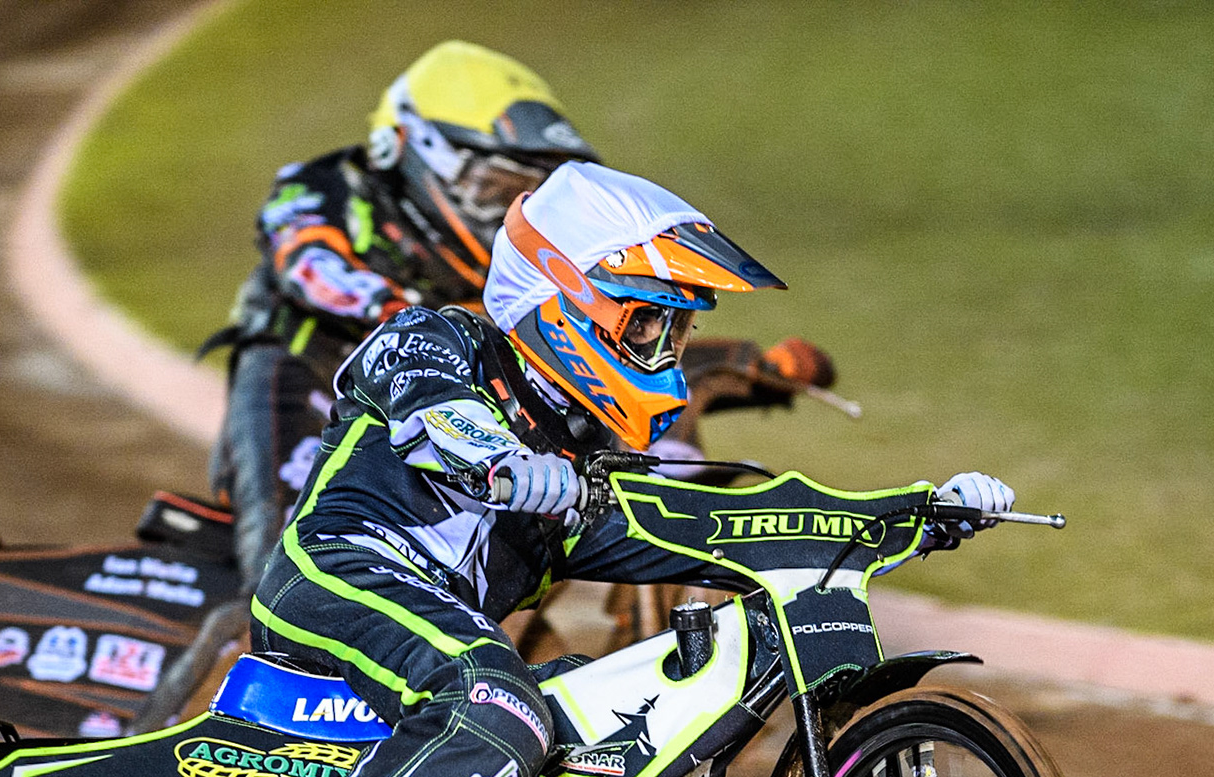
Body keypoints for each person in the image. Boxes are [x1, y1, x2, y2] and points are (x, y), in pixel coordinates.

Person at [144, 161, 1015, 777]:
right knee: (501, 708)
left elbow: (732, 523)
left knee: (619, 746)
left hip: (430, 639)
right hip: (336, 574)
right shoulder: (438, 340)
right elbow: (435, 415)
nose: (666, 354)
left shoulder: (584, 468)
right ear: (565, 298)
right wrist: (502, 462)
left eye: (676, 332)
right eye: (648, 325)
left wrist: (910, 515)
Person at [201, 41, 838, 593]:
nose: (509, 210)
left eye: (529, 191)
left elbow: (596, 330)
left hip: (454, 381)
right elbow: (309, 265)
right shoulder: (322, 185)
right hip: (308, 367)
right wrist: (405, 309)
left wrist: (738, 360)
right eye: (495, 188)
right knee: (286, 558)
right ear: (408, 150)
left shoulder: (518, 270)